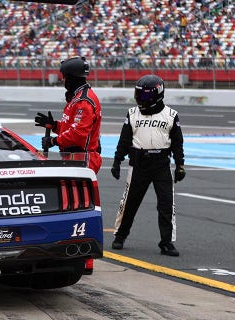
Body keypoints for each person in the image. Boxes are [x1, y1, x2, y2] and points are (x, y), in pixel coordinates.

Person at [110, 74, 185, 257]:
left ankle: (166, 243)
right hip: (138, 163)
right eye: (138, 94)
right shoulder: (132, 113)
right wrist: (117, 160)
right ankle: (120, 236)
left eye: (144, 95)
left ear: (157, 94)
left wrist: (180, 165)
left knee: (167, 205)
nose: (139, 98)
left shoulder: (171, 115)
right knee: (129, 202)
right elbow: (124, 140)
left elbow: (177, 143)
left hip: (162, 165)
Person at [34, 56, 102, 173]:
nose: (62, 80)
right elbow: (71, 128)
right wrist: (55, 125)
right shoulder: (77, 97)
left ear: (72, 78)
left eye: (64, 77)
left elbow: (78, 134)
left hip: (83, 160)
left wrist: (52, 141)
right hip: (75, 158)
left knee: (76, 192)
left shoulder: (83, 101)